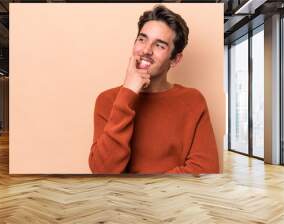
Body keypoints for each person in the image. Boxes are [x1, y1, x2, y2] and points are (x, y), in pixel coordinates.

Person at [88, 5, 219, 174]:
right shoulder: (107, 100)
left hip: (171, 200)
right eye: (142, 39)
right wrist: (127, 94)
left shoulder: (192, 100)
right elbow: (103, 172)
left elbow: (205, 169)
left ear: (175, 60)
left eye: (159, 45)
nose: (146, 50)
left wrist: (142, 193)